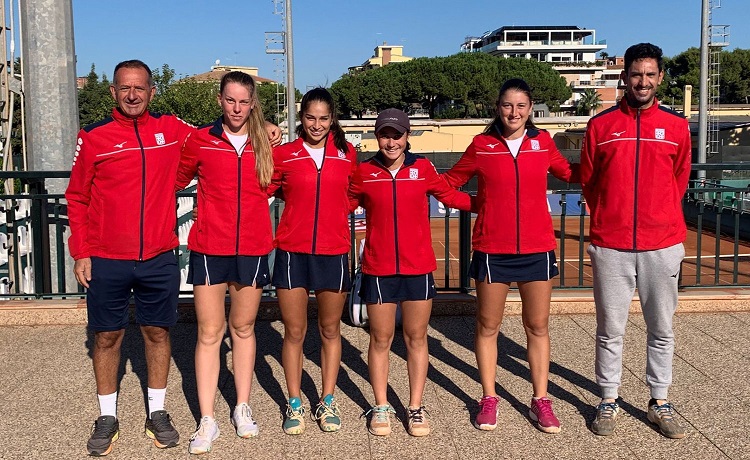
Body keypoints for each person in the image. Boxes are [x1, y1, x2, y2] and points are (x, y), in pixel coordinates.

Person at [65, 60, 281, 457]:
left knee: (158, 334)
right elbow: (77, 196)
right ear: (113, 92)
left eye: (140, 88)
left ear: (151, 92)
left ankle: (158, 412)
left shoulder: (175, 131)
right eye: (125, 88)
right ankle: (107, 416)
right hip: (108, 255)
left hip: (160, 254)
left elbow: (212, 140)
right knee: (107, 336)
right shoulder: (94, 136)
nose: (133, 95)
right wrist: (81, 250)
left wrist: (265, 130)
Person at [443, 78, 578, 434]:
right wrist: (479, 206)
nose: (514, 112)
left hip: (537, 249)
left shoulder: (543, 142)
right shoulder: (482, 145)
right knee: (488, 327)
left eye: (521, 105)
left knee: (537, 326)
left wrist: (604, 160)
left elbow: (570, 174)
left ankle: (541, 399)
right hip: (492, 249)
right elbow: (448, 184)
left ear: (530, 108)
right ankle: (489, 397)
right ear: (497, 108)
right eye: (507, 105)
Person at [580, 43, 691, 439]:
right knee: (610, 329)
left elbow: (680, 179)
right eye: (635, 74)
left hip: (662, 245)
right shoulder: (601, 126)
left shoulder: (677, 127)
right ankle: (608, 399)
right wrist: (609, 220)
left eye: (650, 74)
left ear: (659, 78)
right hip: (611, 246)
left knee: (661, 329)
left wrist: (657, 217)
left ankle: (659, 399)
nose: (642, 81)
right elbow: (590, 182)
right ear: (624, 77)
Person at [349, 108, 472, 437]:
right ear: (377, 136)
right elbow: (340, 204)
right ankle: (380, 405)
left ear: (407, 136)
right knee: (380, 339)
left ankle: (415, 407)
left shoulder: (423, 168)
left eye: (397, 135)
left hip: (418, 268)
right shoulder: (364, 172)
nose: (391, 142)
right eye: (385, 135)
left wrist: (492, 202)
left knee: (416, 338)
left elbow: (452, 196)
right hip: (378, 269)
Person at [175, 71, 274, 455]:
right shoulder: (200, 140)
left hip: (251, 248)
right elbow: (175, 179)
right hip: (209, 248)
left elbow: (288, 182)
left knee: (244, 328)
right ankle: (207, 419)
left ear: (253, 104)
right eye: (230, 100)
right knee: (209, 332)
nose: (236, 108)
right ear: (220, 100)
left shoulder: (266, 142)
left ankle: (242, 407)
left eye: (244, 102)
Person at [268, 88, 357, 435]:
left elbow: (355, 192)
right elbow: (271, 186)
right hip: (292, 252)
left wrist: (335, 214)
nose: (316, 125)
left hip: (333, 252)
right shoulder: (285, 154)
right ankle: (293, 401)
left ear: (331, 119)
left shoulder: (347, 154)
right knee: (294, 331)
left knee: (330, 329)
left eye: (323, 118)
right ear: (301, 118)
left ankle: (328, 398)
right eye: (310, 118)